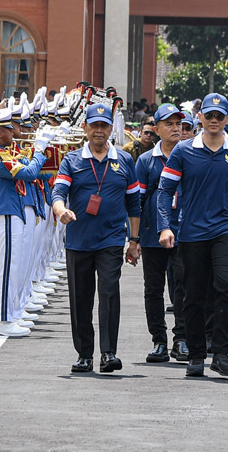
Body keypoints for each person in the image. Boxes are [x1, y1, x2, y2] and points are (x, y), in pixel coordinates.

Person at [158, 93, 228, 378]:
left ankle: (222, 353)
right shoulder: (183, 151)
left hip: (227, 229)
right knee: (193, 294)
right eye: (209, 115)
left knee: (226, 286)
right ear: (199, 118)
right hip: (191, 232)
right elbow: (164, 191)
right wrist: (166, 226)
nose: (214, 120)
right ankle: (197, 355)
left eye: (219, 116)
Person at [52, 105, 141, 373]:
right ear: (85, 128)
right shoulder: (72, 160)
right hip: (79, 240)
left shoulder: (124, 161)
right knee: (81, 298)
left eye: (104, 125)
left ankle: (108, 353)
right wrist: (61, 211)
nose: (99, 130)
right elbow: (57, 193)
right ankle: (84, 354)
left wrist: (134, 240)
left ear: (111, 129)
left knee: (109, 292)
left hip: (111, 240)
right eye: (95, 126)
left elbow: (134, 202)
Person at [135, 103, 187, 363]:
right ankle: (159, 341)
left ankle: (182, 339)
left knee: (182, 287)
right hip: (153, 233)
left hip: (185, 232)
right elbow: (138, 201)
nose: (175, 128)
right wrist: (134, 238)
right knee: (153, 289)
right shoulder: (146, 161)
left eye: (179, 123)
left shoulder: (191, 155)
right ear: (156, 129)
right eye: (169, 123)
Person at [0, 107, 51, 337]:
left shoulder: (5, 152)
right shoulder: (0, 155)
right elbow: (29, 173)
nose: (15, 133)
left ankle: (11, 314)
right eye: (11, 129)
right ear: (0, 132)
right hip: (6, 213)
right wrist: (39, 151)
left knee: (14, 266)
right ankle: (4, 320)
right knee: (9, 269)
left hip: (11, 212)